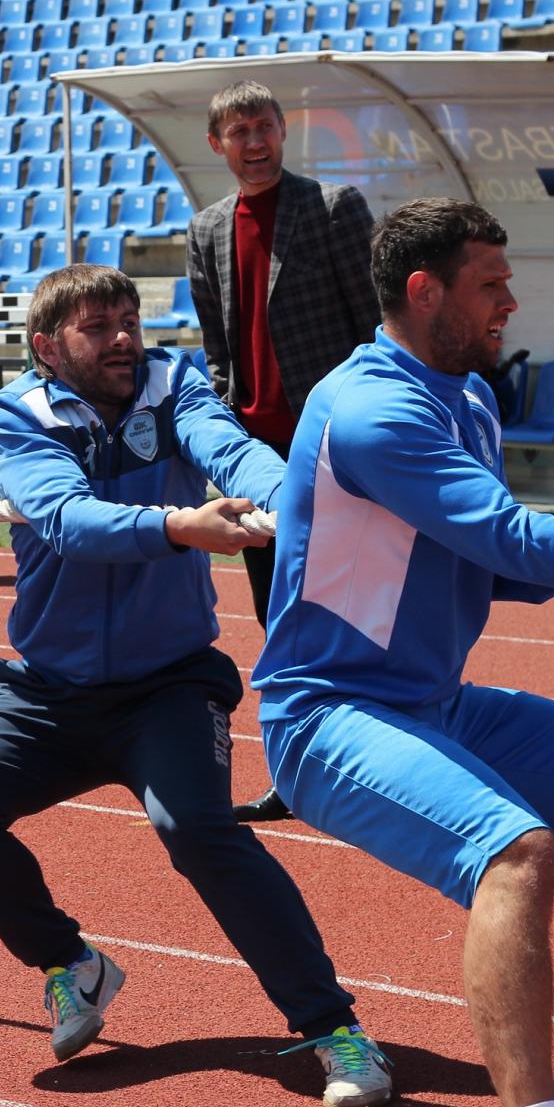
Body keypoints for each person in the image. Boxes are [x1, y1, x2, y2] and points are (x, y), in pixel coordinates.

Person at [0, 263, 392, 1107]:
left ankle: (332, 1025)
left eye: (129, 319)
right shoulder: (22, 413)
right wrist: (180, 527)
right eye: (99, 327)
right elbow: (61, 516)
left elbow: (228, 448)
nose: (124, 338)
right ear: (47, 347)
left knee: (198, 829)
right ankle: (70, 961)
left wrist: (291, 500)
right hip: (47, 693)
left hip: (168, 685)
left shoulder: (175, 383)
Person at [253, 198, 554, 1107]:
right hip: (326, 714)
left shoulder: (463, 399)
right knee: (514, 853)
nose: (509, 300)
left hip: (429, 702)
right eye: (490, 284)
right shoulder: (370, 409)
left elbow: (497, 566)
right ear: (422, 291)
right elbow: (505, 534)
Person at [184, 79, 379, 823]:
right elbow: (216, 350)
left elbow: (374, 331)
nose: (254, 142)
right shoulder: (206, 230)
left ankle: (372, 759)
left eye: (263, 126)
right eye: (238, 132)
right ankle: (298, 773)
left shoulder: (333, 208)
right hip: (254, 460)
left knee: (353, 608)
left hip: (332, 450)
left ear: (284, 130)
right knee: (278, 615)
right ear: (218, 145)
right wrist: (219, 441)